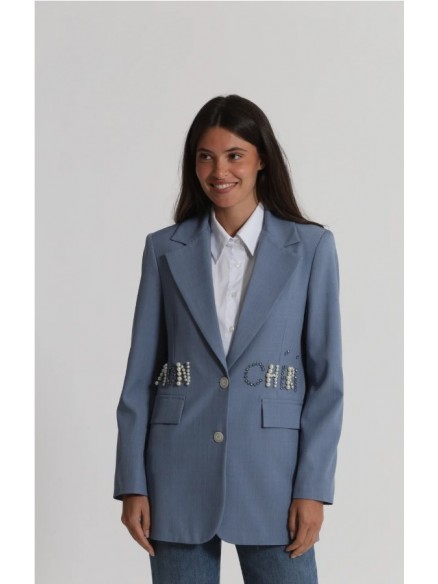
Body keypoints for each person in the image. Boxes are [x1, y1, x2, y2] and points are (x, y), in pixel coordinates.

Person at [113, 94, 343, 584]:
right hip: (175, 474)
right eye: (206, 156)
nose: (219, 171)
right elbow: (139, 377)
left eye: (234, 155)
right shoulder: (163, 250)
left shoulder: (311, 249)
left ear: (262, 160)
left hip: (275, 477)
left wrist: (313, 488)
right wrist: (133, 481)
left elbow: (326, 381)